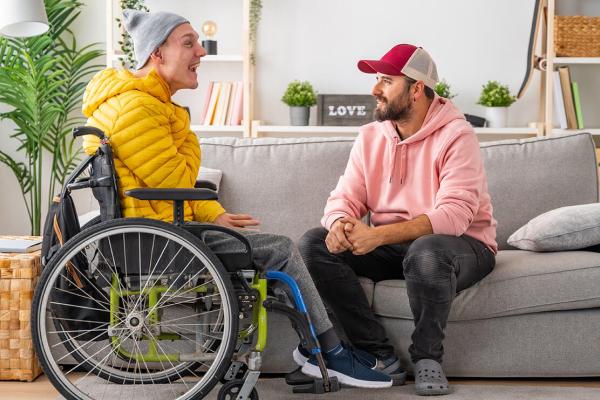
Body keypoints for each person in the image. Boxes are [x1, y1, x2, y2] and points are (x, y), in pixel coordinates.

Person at [80, 9, 392, 389]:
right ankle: (330, 352)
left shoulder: (148, 104)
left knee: (272, 251)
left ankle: (316, 349)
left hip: (158, 231)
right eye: (188, 43)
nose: (201, 52)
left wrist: (215, 215)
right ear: (156, 54)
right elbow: (177, 181)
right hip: (156, 240)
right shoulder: (138, 108)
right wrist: (185, 135)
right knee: (282, 248)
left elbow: (178, 183)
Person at [299, 44, 497, 396]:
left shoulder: (457, 135)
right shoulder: (370, 136)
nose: (375, 89)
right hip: (395, 248)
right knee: (313, 243)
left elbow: (454, 216)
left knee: (427, 250)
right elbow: (345, 196)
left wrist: (377, 236)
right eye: (377, 79)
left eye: (386, 80)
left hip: (463, 248)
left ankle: (427, 358)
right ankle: (377, 354)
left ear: (416, 88)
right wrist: (340, 224)